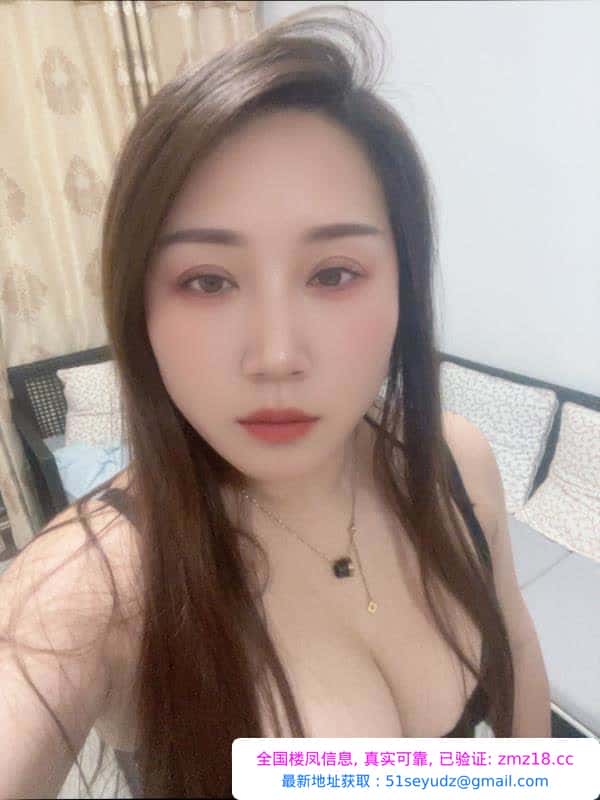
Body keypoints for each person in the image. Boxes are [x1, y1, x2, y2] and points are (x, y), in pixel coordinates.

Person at [0, 5, 550, 798]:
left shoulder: (454, 461)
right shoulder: (95, 586)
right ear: (138, 306)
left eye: (333, 274)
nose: (277, 356)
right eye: (207, 281)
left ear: (403, 287)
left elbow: (520, 649)